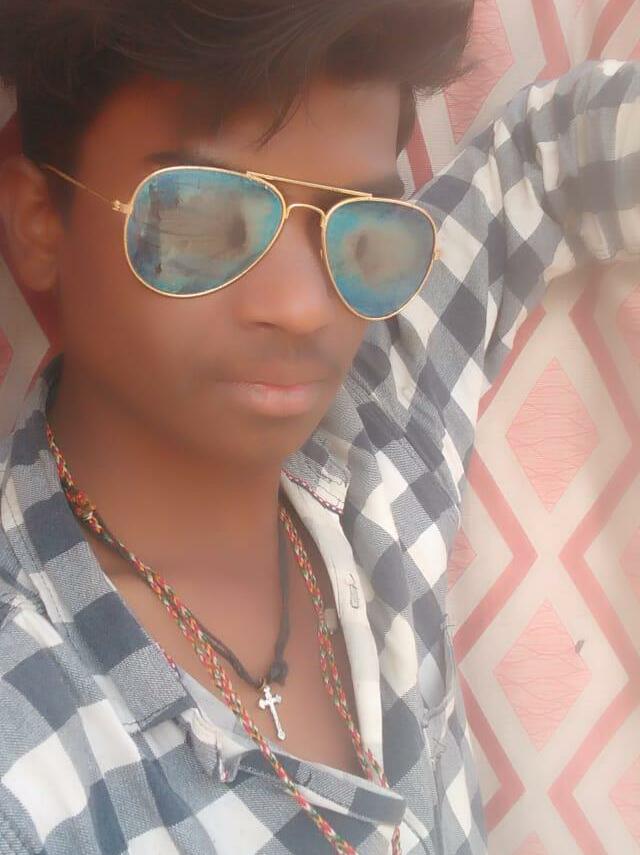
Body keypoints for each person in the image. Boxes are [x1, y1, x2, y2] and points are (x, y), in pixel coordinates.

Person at [0, 1, 638, 853]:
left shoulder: (378, 424)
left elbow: (540, 164)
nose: (306, 306)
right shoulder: (29, 748)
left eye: (358, 224)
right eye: (203, 215)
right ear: (38, 220)